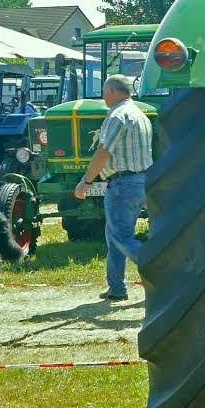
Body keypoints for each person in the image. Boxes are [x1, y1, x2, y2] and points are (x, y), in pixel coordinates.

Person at [74, 74, 152, 301]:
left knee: (120, 237)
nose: (102, 96)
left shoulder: (118, 116)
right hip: (140, 181)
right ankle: (116, 288)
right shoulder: (140, 115)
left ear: (111, 91)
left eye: (103, 91)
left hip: (121, 184)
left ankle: (157, 267)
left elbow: (103, 152)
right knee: (114, 237)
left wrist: (85, 182)